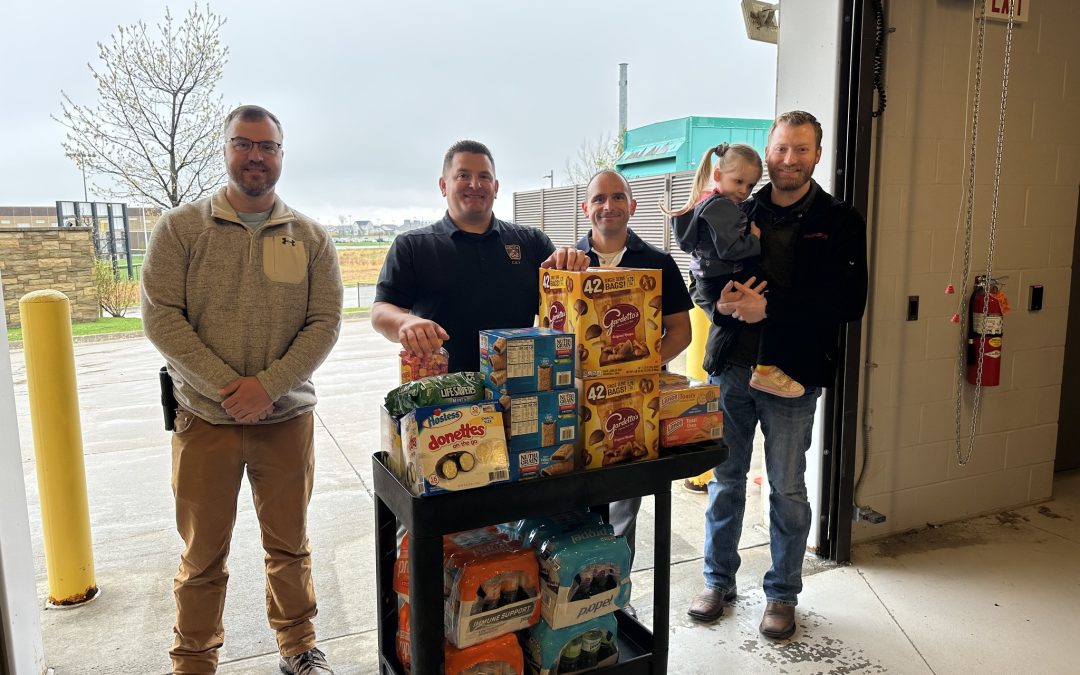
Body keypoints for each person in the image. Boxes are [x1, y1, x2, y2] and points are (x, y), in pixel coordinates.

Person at [142, 104, 342, 675]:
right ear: (226, 149)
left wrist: (271, 387)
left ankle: (299, 648)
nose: (256, 155)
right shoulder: (180, 229)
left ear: (281, 155)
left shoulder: (309, 237)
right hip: (204, 420)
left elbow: (324, 323)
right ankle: (193, 660)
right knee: (202, 555)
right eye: (244, 144)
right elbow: (161, 319)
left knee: (290, 546)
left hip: (287, 421)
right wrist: (232, 389)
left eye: (267, 146)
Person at [686, 111, 867, 641]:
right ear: (768, 151)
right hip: (733, 369)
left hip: (792, 373)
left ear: (817, 153)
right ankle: (718, 581)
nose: (790, 159)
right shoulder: (739, 203)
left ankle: (782, 594)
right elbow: (702, 272)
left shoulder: (838, 220)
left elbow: (847, 301)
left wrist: (773, 310)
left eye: (802, 149)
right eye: (782, 148)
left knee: (787, 487)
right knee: (725, 481)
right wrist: (718, 302)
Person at [372, 140, 587, 372]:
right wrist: (405, 321)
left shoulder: (532, 242)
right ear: (443, 185)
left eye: (484, 177)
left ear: (495, 187)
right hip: (440, 389)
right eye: (463, 175)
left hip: (521, 387)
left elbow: (563, 305)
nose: (475, 184)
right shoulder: (412, 245)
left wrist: (571, 265)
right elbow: (382, 310)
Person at [575, 169, 694, 562]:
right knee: (577, 503)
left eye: (618, 197)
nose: (608, 206)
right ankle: (578, 588)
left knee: (625, 504)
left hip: (634, 403)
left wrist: (639, 366)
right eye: (598, 199)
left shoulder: (659, 263)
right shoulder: (567, 264)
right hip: (578, 404)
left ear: (633, 205)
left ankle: (616, 590)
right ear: (585, 208)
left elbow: (680, 331)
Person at [669, 143, 803, 399]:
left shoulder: (705, 201)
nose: (744, 191)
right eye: (739, 181)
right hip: (721, 288)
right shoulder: (722, 206)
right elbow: (729, 248)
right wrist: (754, 239)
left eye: (750, 185)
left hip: (710, 280)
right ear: (718, 175)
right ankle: (766, 368)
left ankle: (764, 367)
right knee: (767, 289)